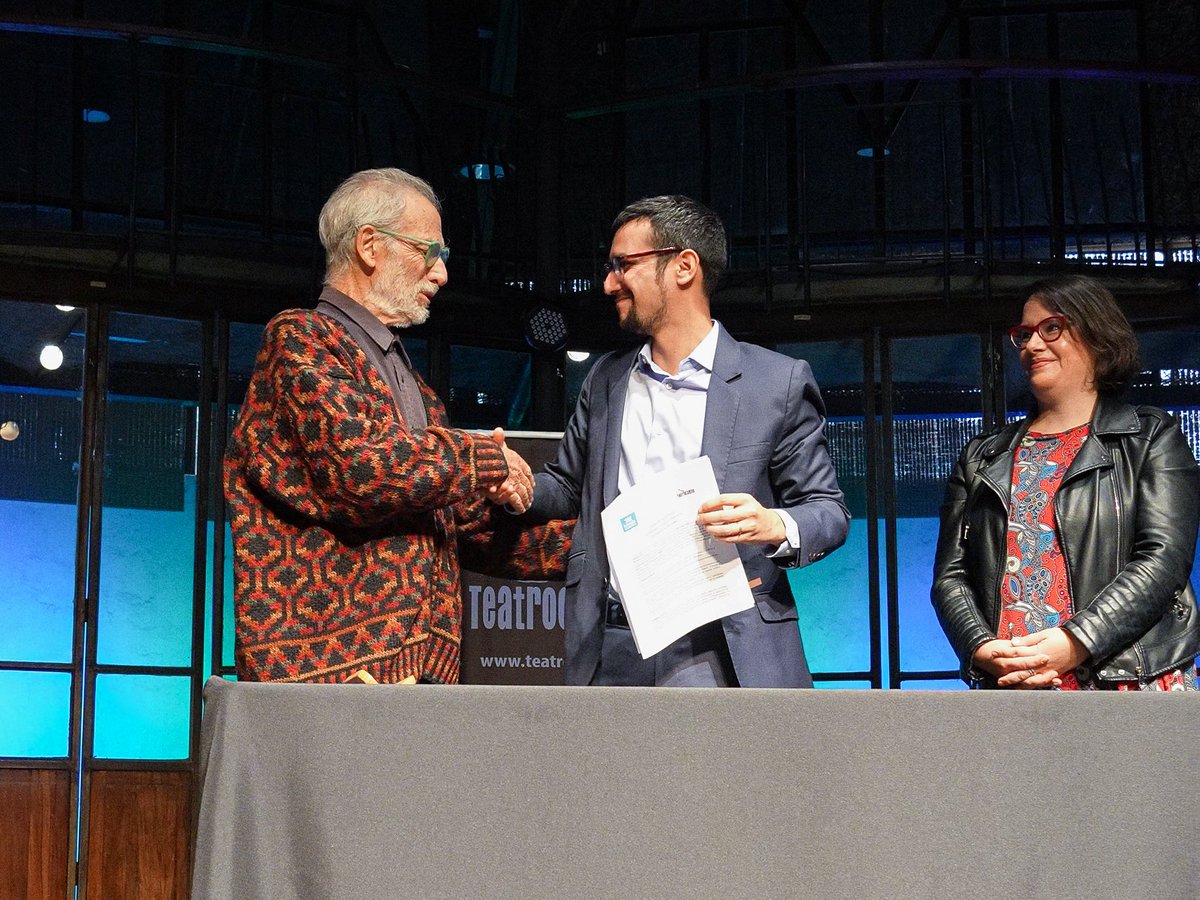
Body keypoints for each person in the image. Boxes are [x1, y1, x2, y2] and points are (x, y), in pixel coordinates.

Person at [225, 168, 569, 684]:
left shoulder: (417, 390)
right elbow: (360, 468)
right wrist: (483, 458)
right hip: (328, 679)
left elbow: (467, 531)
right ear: (369, 246)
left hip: (418, 679)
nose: (441, 274)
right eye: (430, 252)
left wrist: (605, 553)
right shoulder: (300, 338)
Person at [521, 195, 849, 687]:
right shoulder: (605, 380)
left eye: (623, 265)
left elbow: (828, 511)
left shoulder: (774, 382)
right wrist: (515, 483)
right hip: (611, 643)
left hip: (722, 646)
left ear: (683, 267)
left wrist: (772, 523)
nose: (609, 283)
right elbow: (566, 487)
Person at [932, 274, 1200, 690]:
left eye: (1050, 328)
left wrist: (1075, 641)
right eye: (1024, 335)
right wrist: (984, 648)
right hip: (1015, 684)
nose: (1032, 345)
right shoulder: (982, 456)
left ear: (1096, 332)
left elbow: (1163, 561)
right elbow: (951, 576)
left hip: (1129, 682)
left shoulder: (1149, 437)